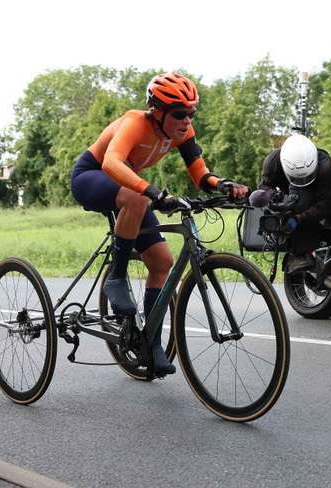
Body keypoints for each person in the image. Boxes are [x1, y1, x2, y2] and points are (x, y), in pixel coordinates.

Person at [70, 72, 248, 376]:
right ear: (157, 110)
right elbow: (112, 162)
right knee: (138, 200)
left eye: (192, 113)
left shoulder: (182, 133)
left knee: (162, 261)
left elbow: (200, 174)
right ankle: (116, 277)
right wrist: (154, 193)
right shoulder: (135, 122)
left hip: (128, 187)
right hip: (91, 175)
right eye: (180, 113)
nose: (186, 120)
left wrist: (223, 185)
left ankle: (149, 341)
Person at [249, 133, 331, 274]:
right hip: (286, 195)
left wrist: (300, 217)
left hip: (313, 197)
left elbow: (326, 203)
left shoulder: (325, 167)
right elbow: (264, 186)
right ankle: (290, 245)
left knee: (302, 201)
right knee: (282, 202)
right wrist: (274, 196)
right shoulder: (272, 162)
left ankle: (304, 250)